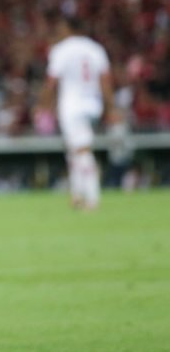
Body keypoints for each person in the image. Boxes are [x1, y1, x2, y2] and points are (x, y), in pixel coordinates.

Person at [37, 14, 117, 210]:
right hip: (93, 104)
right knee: (74, 150)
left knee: (82, 151)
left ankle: (92, 198)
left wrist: (43, 106)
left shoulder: (61, 50)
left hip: (72, 106)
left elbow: (51, 82)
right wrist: (110, 108)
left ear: (68, 29)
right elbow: (105, 81)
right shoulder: (95, 49)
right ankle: (77, 195)